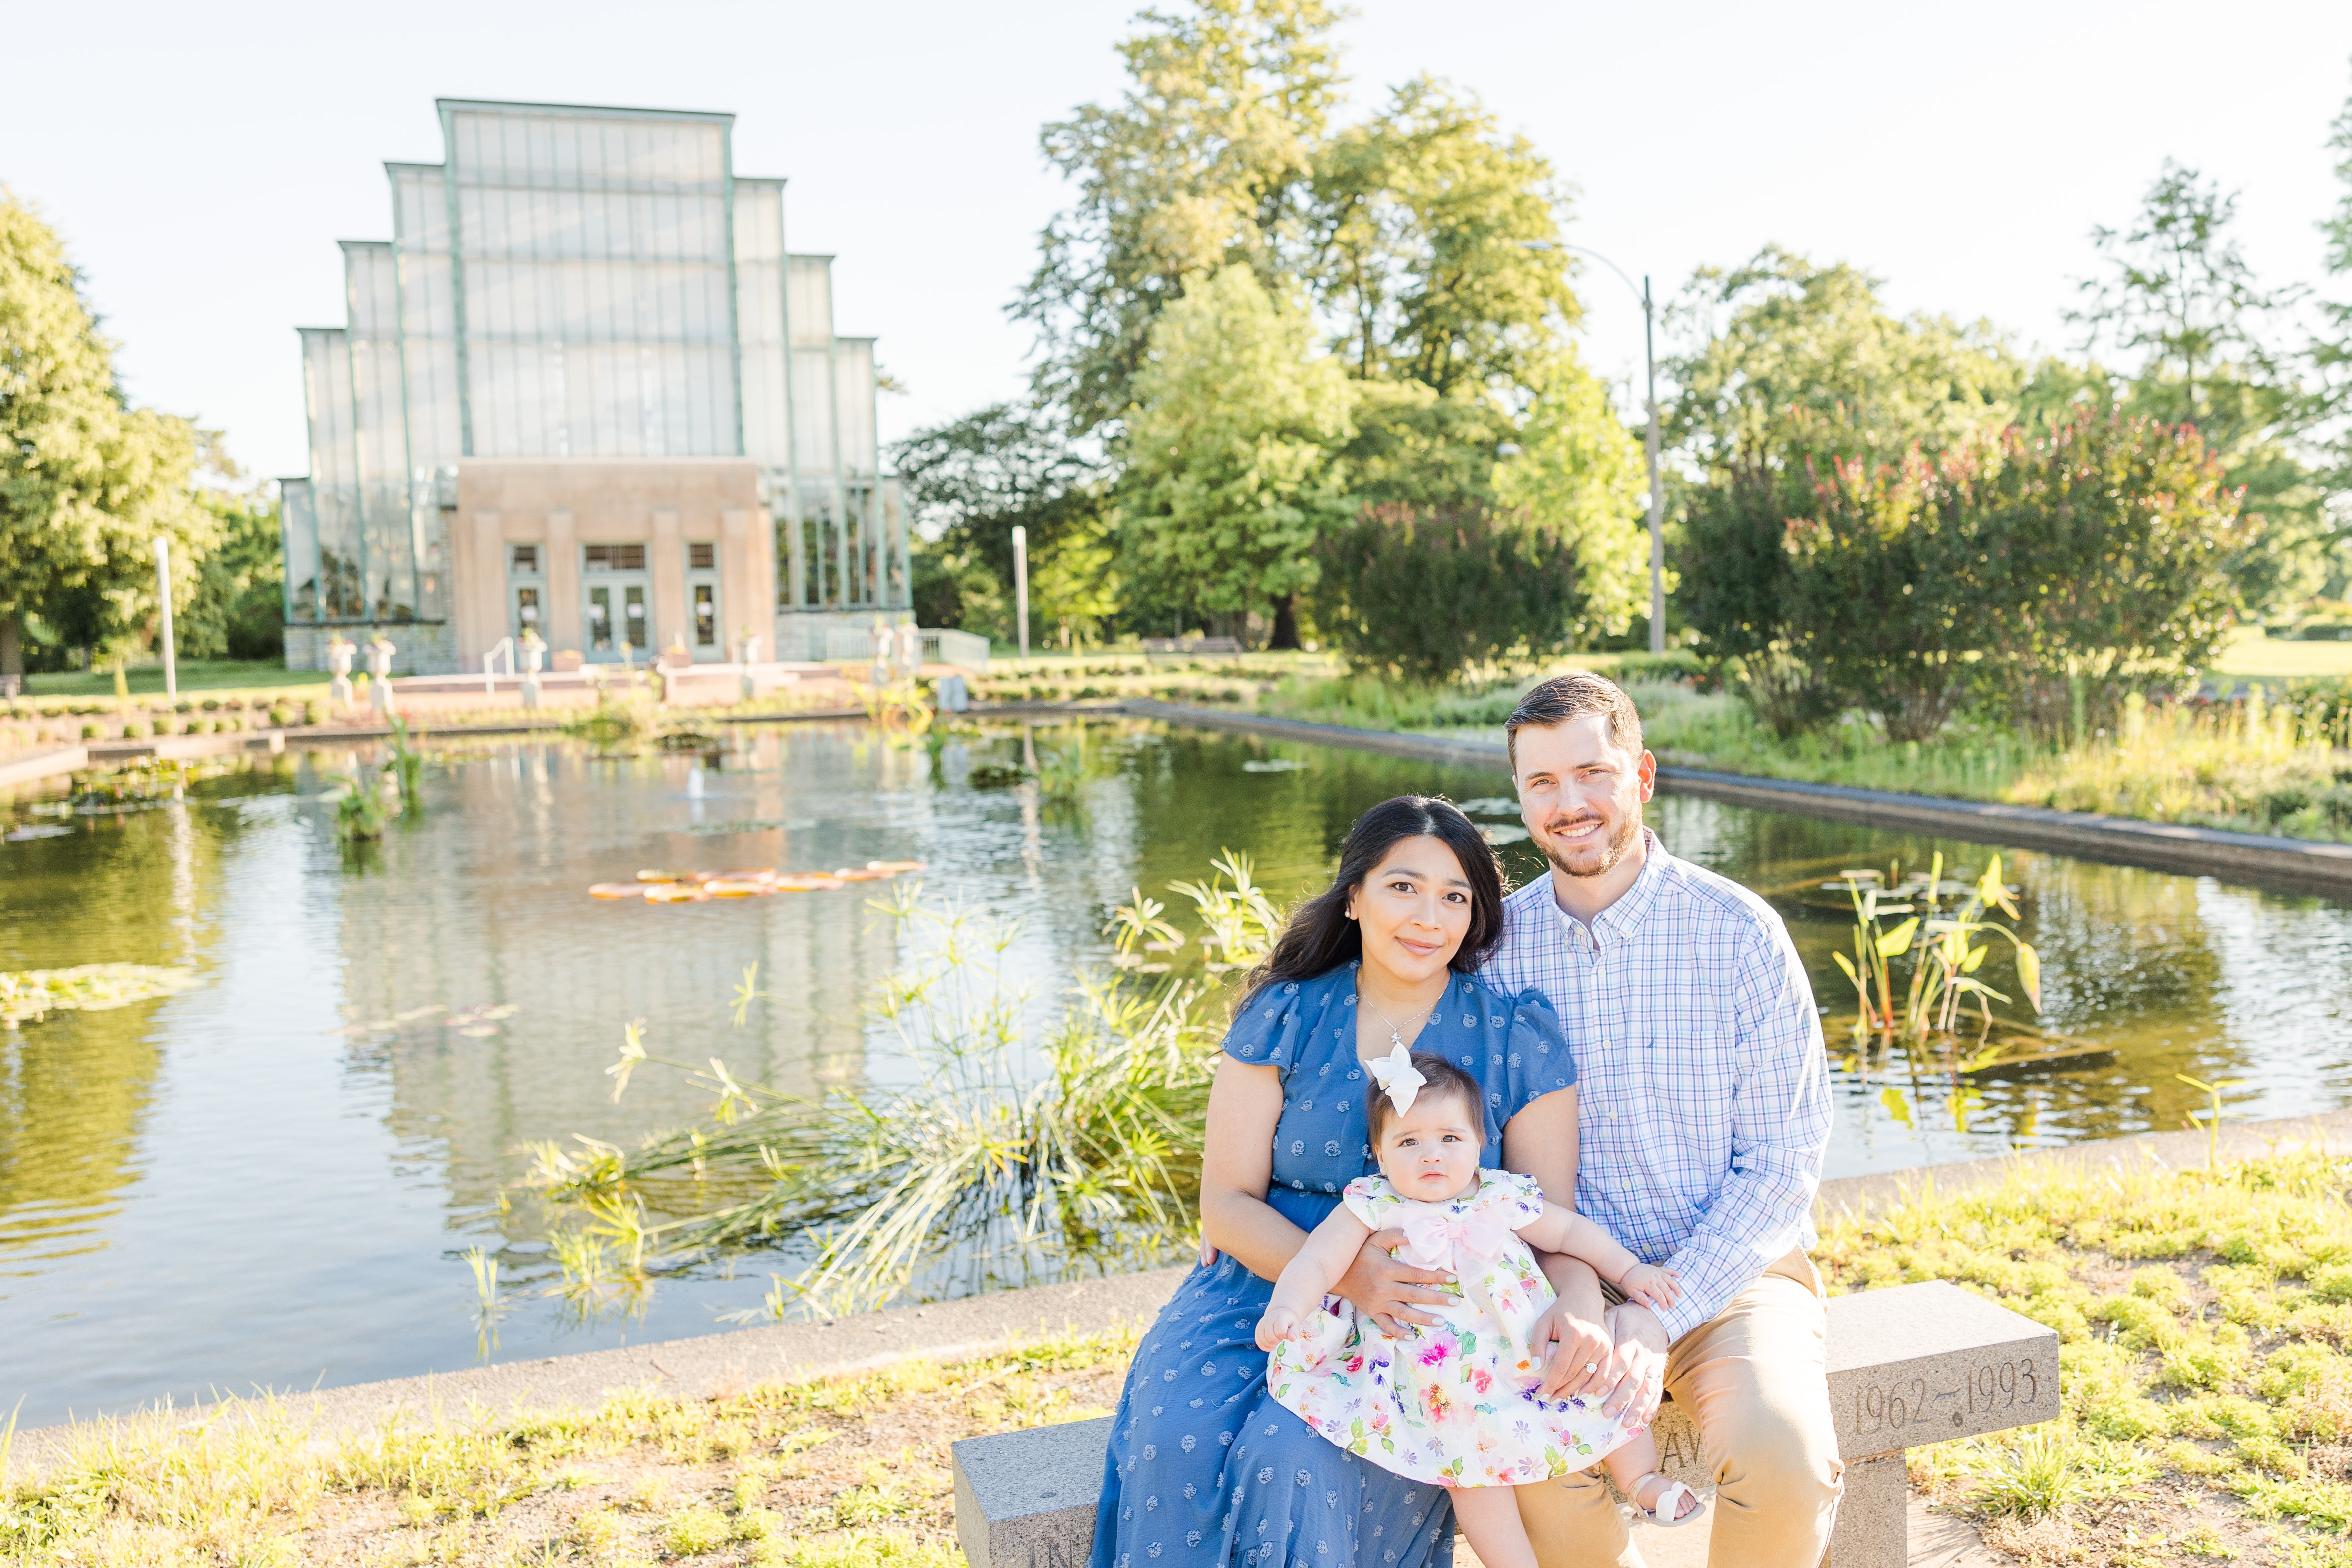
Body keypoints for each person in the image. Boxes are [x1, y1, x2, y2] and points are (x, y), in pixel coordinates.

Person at [1090, 796, 1616, 1568]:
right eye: (1402, 887)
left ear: (1474, 917)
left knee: (1292, 1460)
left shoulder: (1515, 1035)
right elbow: (1225, 1201)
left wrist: (1579, 1304)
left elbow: (1549, 1217)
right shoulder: (1285, 1012)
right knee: (1175, 1438)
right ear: (1353, 895)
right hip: (1263, 1280)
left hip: (1424, 1326)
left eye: (1454, 897)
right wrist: (1344, 1270)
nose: (1427, 917)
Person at [1481, 672, 1840, 1568]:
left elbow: (1782, 1163)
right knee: (1533, 1453)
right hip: (1565, 1276)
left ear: (1640, 775)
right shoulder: (1490, 953)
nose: (1570, 804)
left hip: (1732, 1269)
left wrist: (1662, 1305)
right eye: (1542, 783)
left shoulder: (1739, 933)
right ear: (1521, 799)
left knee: (1784, 1455)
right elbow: (1476, 1154)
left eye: (1591, 772)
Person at [1255, 1049, 1704, 1568]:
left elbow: (1571, 1233)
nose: (1431, 1155)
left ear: (1478, 1144)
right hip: (1440, 1382)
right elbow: (1317, 1260)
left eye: (1449, 1138)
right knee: (1468, 1475)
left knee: (1590, 1381)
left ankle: (1642, 1478)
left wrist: (1629, 1271)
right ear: (1379, 1154)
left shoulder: (1500, 1193)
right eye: (1409, 1141)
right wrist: (1287, 1305)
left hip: (1524, 1344)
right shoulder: (1372, 1202)